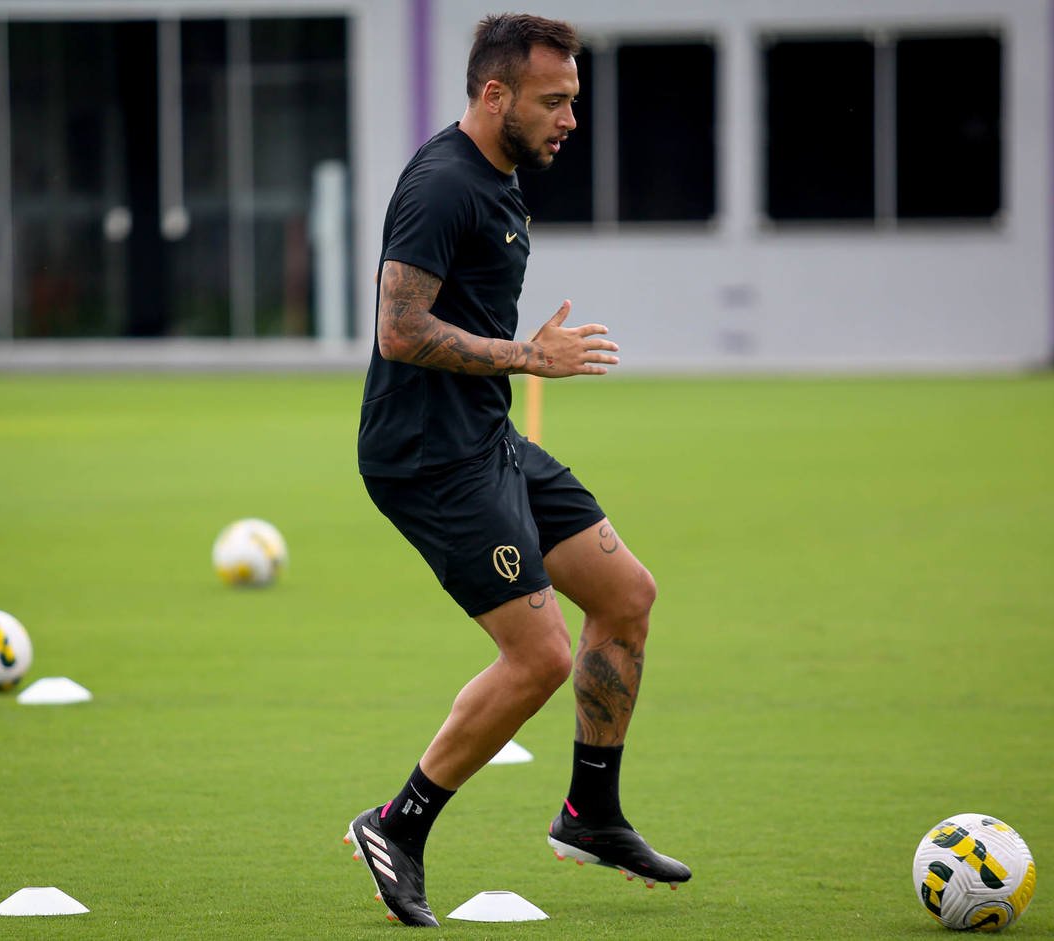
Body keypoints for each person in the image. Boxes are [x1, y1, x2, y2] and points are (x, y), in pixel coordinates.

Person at [345, 12, 691, 927]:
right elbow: (398, 329)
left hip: (484, 438)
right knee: (536, 655)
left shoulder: (500, 176)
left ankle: (591, 811)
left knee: (626, 595)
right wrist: (526, 356)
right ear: (494, 94)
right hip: (428, 458)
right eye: (555, 100)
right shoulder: (443, 186)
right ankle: (396, 825)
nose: (571, 117)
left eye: (573, 99)